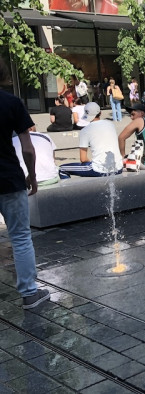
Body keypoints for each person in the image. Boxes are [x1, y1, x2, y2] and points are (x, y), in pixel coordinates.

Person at [0, 90, 50, 309]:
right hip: (8, 177)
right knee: (20, 237)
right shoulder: (11, 102)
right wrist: (32, 175)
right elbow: (28, 149)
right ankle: (30, 293)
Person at [59, 103, 123, 177]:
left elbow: (83, 159)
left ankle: (70, 188)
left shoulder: (85, 130)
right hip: (118, 167)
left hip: (99, 169)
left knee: (62, 169)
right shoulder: (111, 124)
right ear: (100, 113)